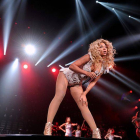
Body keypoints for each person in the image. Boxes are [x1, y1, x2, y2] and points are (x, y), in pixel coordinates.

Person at [43, 39, 116, 139]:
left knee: (83, 104)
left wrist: (84, 94)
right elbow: (72, 66)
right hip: (66, 75)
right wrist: (87, 73)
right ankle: (48, 127)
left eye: (106, 47)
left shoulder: (103, 66)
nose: (104, 48)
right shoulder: (89, 56)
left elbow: (93, 81)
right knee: (59, 96)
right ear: (96, 49)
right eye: (101, 47)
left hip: (77, 83)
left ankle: (96, 132)